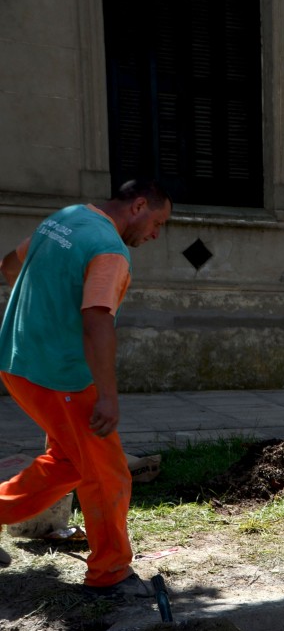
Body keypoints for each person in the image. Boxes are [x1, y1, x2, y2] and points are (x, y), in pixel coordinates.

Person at [0, 178, 172, 598]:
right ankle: (109, 573)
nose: (155, 234)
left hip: (17, 361)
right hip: (60, 377)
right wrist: (108, 397)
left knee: (68, 462)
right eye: (158, 222)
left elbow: (8, 265)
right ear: (139, 206)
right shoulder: (110, 251)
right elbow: (98, 323)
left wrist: (43, 314)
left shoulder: (65, 219)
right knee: (107, 473)